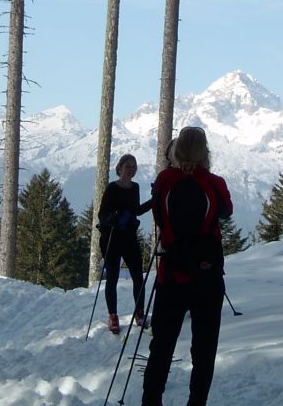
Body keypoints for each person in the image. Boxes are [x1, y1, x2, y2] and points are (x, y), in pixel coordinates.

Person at [141, 126, 233, 406]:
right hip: (207, 278)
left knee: (162, 347)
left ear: (177, 151)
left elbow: (157, 214)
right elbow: (226, 212)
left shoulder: (165, 179)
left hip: (171, 275)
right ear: (205, 151)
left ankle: (151, 402)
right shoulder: (214, 182)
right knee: (204, 351)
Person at [98, 153, 152, 334]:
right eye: (128, 166)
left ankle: (140, 313)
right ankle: (113, 315)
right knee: (112, 278)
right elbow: (102, 214)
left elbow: (136, 210)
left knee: (138, 277)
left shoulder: (135, 187)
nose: (131, 169)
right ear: (120, 168)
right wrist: (111, 219)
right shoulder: (112, 188)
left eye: (134, 166)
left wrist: (154, 200)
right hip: (112, 237)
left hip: (128, 236)